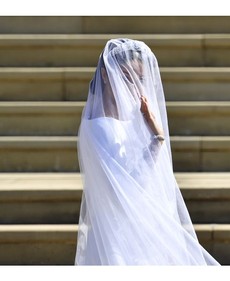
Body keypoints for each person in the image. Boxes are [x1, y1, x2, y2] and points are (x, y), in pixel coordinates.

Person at [74, 38, 220, 265]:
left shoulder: (134, 119)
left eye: (139, 78)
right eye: (125, 75)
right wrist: (156, 139)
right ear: (105, 75)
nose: (133, 84)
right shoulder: (98, 127)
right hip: (119, 237)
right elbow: (127, 189)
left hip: (141, 228)